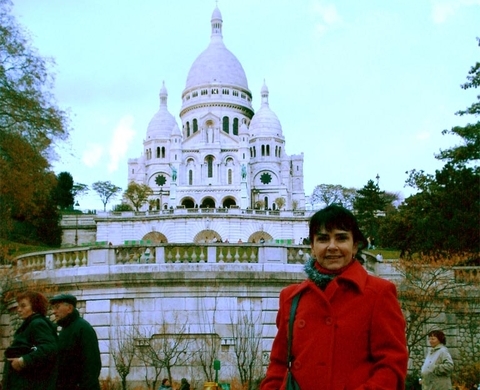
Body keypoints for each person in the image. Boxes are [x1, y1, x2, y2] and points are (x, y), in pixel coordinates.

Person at [261, 204, 408, 389]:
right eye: (323, 239)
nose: (332, 247)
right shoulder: (291, 297)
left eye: (341, 238)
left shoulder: (379, 293)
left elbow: (391, 365)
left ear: (354, 246)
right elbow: (278, 365)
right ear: (312, 247)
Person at [2, 291, 58, 390]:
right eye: (18, 306)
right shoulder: (29, 325)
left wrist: (23, 360)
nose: (19, 310)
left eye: (23, 306)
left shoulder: (37, 324)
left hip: (29, 383)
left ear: (35, 308)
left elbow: (49, 348)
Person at [49, 293, 101, 390]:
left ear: (69, 308)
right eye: (53, 308)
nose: (54, 311)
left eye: (57, 307)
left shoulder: (83, 328)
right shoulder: (65, 330)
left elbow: (92, 364)